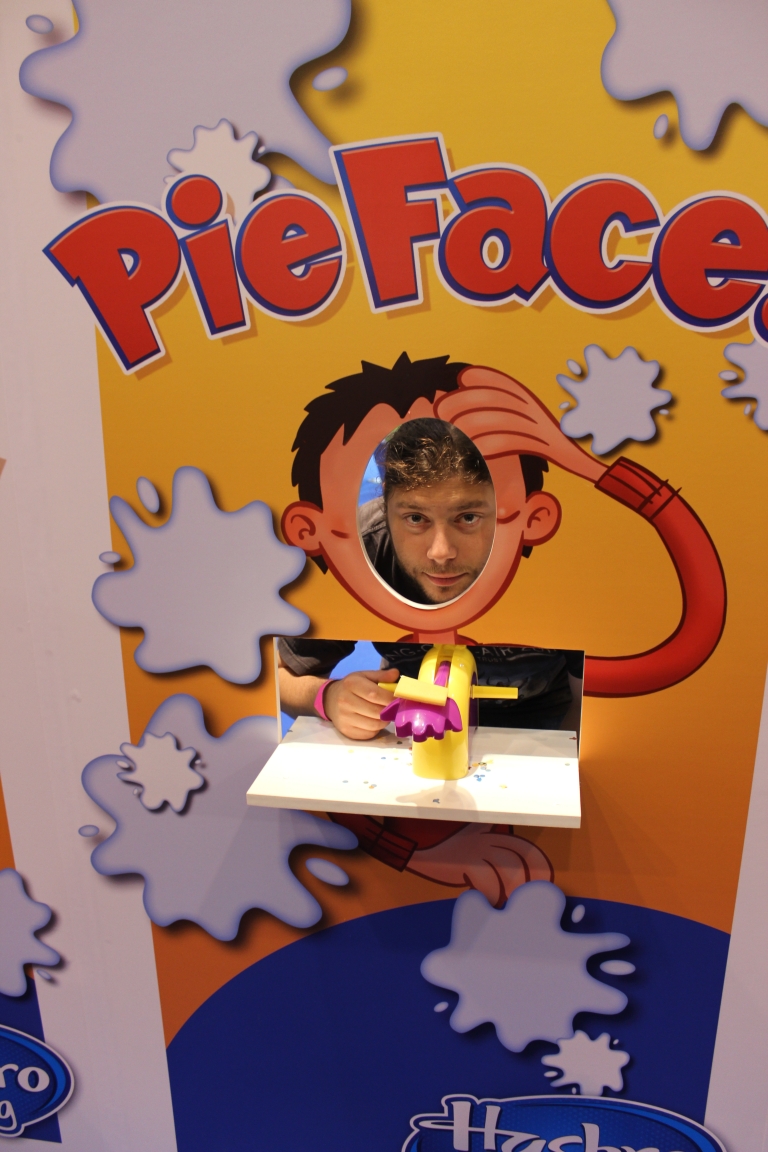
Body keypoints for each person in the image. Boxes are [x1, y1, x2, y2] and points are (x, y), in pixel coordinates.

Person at [279, 351, 726, 905]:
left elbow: (689, 644)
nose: (441, 552)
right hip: (410, 739)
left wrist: (583, 462)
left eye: (469, 517)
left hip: (540, 723)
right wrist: (326, 696)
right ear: (384, 507)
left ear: (532, 518)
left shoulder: (568, 563)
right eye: (415, 518)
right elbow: (278, 678)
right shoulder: (364, 548)